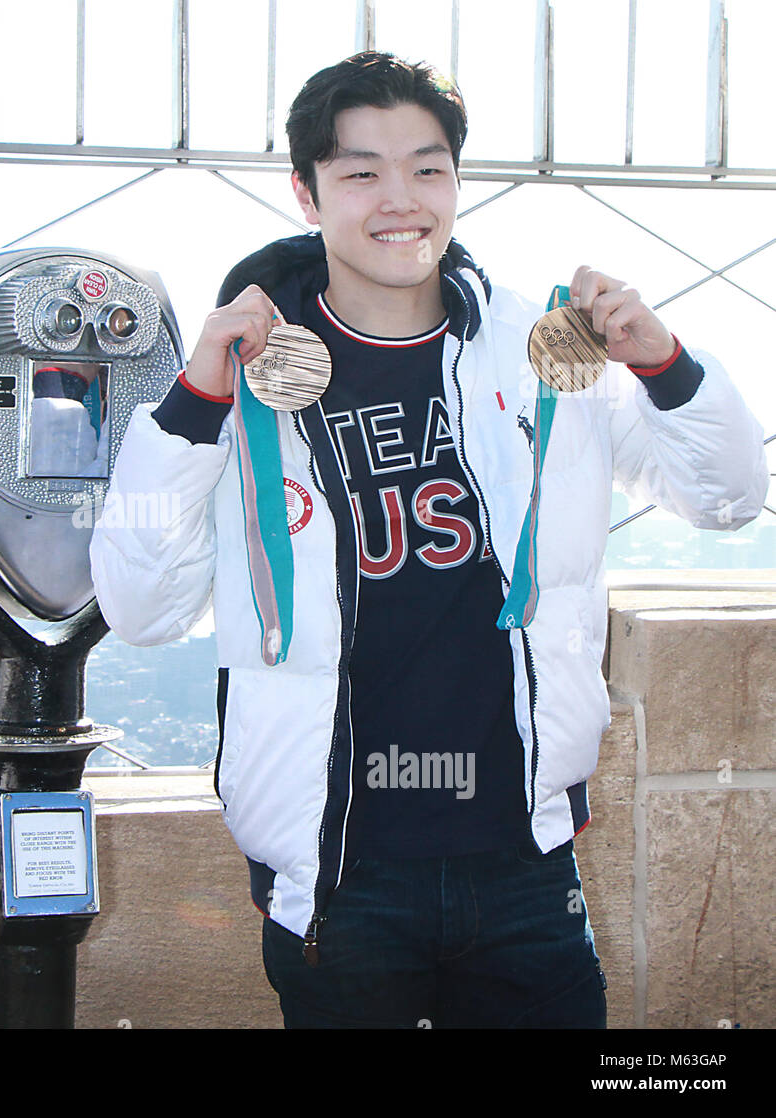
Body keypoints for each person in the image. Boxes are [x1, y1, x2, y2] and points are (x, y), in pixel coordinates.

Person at [89, 53, 769, 1028]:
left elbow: (730, 497)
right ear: (306, 190)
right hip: (337, 869)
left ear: (455, 180)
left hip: (522, 859)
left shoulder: (544, 349)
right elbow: (140, 604)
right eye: (361, 171)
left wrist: (662, 361)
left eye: (427, 166)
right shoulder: (240, 374)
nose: (398, 198)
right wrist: (193, 398)